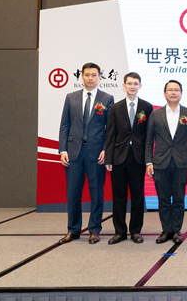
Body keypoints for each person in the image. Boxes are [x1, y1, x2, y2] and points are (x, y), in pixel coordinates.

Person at [58, 62, 114, 244]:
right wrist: (63, 150)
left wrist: (106, 149)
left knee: (96, 193)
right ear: (82, 76)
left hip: (97, 154)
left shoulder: (107, 99)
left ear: (99, 77)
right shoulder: (71, 97)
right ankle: (73, 230)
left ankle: (94, 229)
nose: (90, 78)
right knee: (73, 193)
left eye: (94, 75)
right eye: (87, 75)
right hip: (73, 153)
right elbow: (65, 125)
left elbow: (110, 128)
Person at [145, 80, 187, 244]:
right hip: (160, 162)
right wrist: (149, 162)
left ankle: (176, 230)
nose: (173, 92)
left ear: (181, 93)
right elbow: (149, 139)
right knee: (163, 199)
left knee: (179, 199)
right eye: (170, 90)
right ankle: (166, 230)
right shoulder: (156, 114)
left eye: (176, 90)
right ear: (164, 93)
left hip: (182, 162)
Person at [104, 72, 153, 244]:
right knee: (119, 196)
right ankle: (120, 231)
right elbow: (110, 134)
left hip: (138, 158)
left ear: (140, 86)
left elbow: (149, 135)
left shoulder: (147, 107)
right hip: (118, 157)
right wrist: (108, 158)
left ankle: (135, 231)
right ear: (124, 86)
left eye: (135, 83)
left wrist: (149, 159)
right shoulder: (115, 108)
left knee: (138, 196)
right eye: (129, 83)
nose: (132, 86)